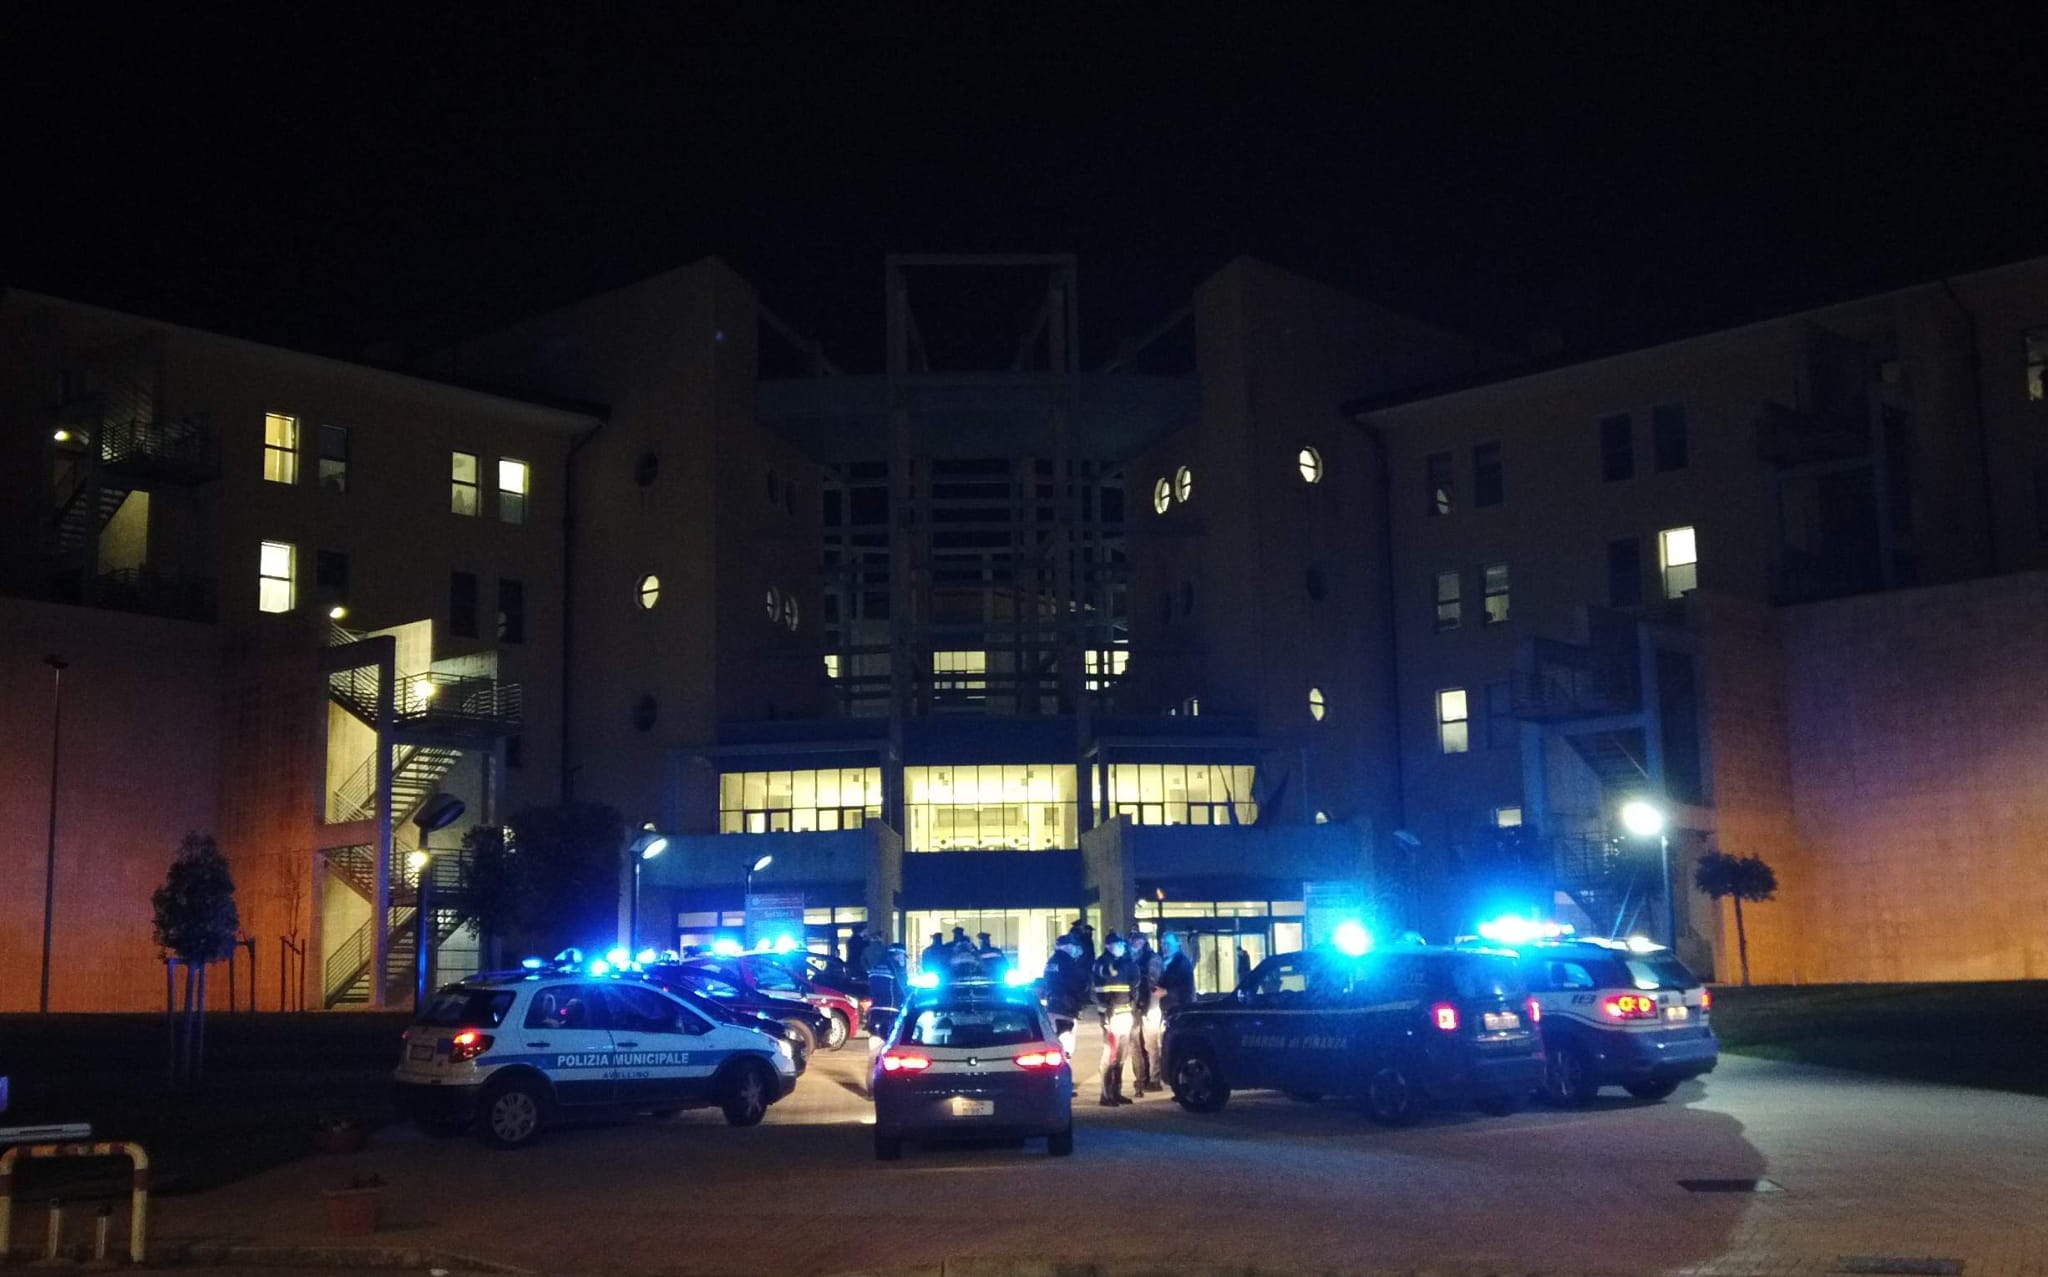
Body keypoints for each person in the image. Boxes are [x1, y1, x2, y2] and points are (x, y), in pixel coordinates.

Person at [1091, 931, 1137, 1106]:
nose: (1122, 947)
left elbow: (1134, 984)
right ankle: (1105, 1095)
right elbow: (1103, 984)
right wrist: (1106, 1013)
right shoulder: (1102, 963)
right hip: (1111, 1015)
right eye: (1119, 944)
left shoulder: (1126, 962)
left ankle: (1117, 1092)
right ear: (1109, 946)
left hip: (1125, 1012)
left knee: (1121, 1056)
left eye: (1122, 945)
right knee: (1110, 1055)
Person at [1126, 926, 1164, 1094]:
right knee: (1135, 1043)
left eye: (1138, 941)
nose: (1136, 944)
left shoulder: (1152, 958)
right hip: (1134, 1003)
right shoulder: (1129, 958)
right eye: (1134, 941)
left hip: (1150, 1003)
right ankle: (1141, 1078)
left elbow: (1154, 980)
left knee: (1151, 1043)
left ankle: (1154, 1079)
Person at [1158, 931, 1197, 1016]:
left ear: (1177, 944)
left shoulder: (1182, 963)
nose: (1165, 947)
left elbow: (1186, 988)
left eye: (1168, 944)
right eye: (1163, 944)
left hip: (1180, 1009)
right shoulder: (1167, 962)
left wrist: (1166, 992)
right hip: (1171, 1009)